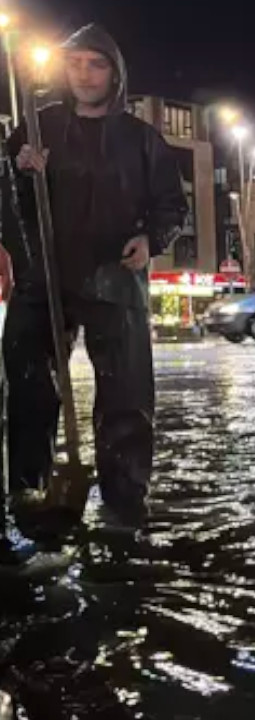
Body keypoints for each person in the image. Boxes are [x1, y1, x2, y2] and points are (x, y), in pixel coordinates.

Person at [0, 24, 187, 535]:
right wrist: (20, 170)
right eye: (75, 63)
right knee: (31, 385)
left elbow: (171, 206)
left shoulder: (141, 140)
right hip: (45, 278)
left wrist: (151, 239)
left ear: (115, 74)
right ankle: (28, 490)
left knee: (126, 393)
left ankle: (123, 501)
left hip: (114, 278)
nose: (84, 74)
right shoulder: (36, 130)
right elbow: (8, 201)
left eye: (96, 64)